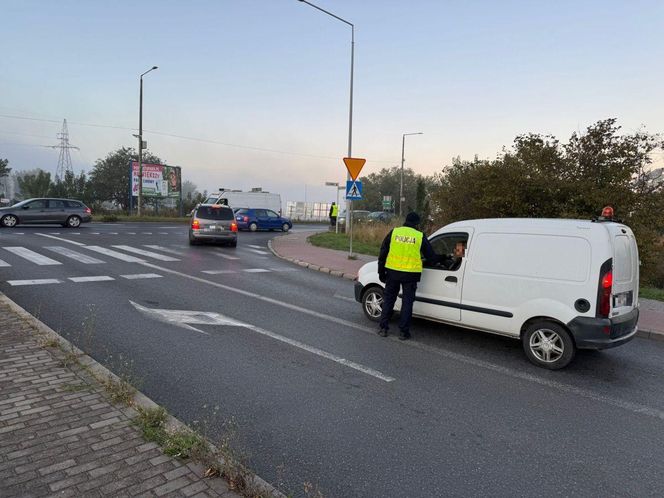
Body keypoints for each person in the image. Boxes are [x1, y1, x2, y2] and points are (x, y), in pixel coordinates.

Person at [377, 211, 440, 340]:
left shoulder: (394, 232)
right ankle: (403, 332)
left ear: (406, 221)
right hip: (410, 275)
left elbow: (383, 252)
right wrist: (440, 260)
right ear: (417, 224)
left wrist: (380, 271)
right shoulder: (419, 236)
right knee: (407, 303)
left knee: (389, 300)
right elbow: (431, 256)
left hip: (392, 272)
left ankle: (383, 328)